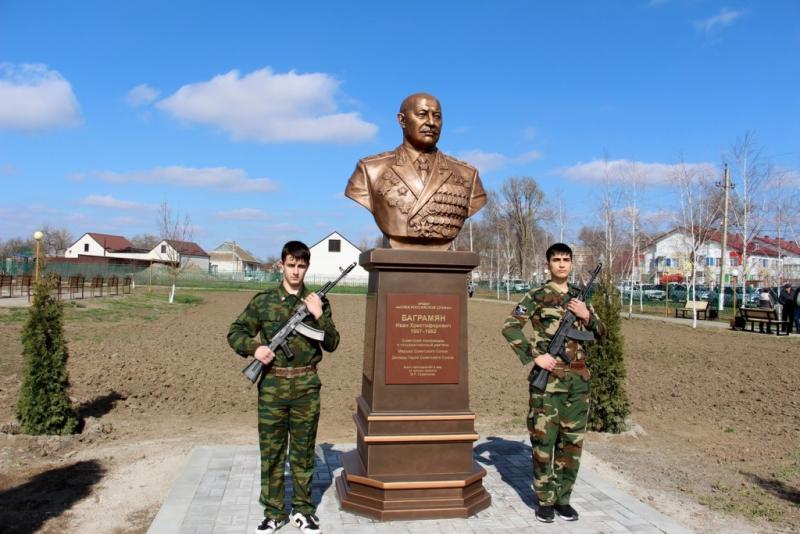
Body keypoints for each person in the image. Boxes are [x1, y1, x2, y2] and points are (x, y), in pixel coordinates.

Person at [228, 241, 340, 534]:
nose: (295, 271)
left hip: (306, 387)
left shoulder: (318, 302)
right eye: (291, 265)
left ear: (307, 268)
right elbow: (235, 332)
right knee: (273, 451)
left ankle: (303, 510)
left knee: (302, 452)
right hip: (272, 386)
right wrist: (255, 349)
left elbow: (332, 343)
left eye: (301, 266)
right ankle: (274, 512)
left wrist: (318, 314)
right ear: (281, 265)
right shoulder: (263, 301)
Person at [501, 243, 605, 524]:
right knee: (544, 440)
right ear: (548, 264)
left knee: (572, 443)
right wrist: (536, 357)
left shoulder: (579, 299)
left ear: (571, 264)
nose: (561, 264)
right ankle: (545, 500)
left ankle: (563, 499)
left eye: (566, 260)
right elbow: (510, 327)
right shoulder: (536, 296)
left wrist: (586, 315)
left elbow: (600, 333)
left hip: (578, 382)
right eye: (556, 259)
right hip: (548, 383)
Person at [345, 92, 487, 250]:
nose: (432, 122)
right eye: (422, 115)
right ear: (402, 120)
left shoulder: (467, 174)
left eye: (437, 116)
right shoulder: (369, 169)